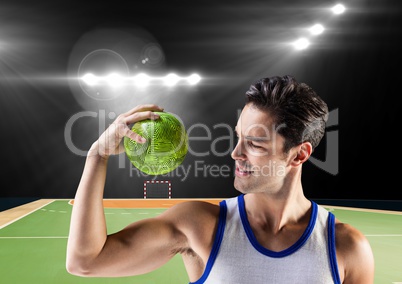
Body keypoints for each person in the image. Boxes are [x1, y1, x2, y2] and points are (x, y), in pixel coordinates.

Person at [66, 75, 374, 283]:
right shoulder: (199, 225)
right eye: (239, 137)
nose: (235, 152)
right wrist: (98, 155)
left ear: (299, 154)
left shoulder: (346, 248)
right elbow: (85, 261)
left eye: (254, 143)